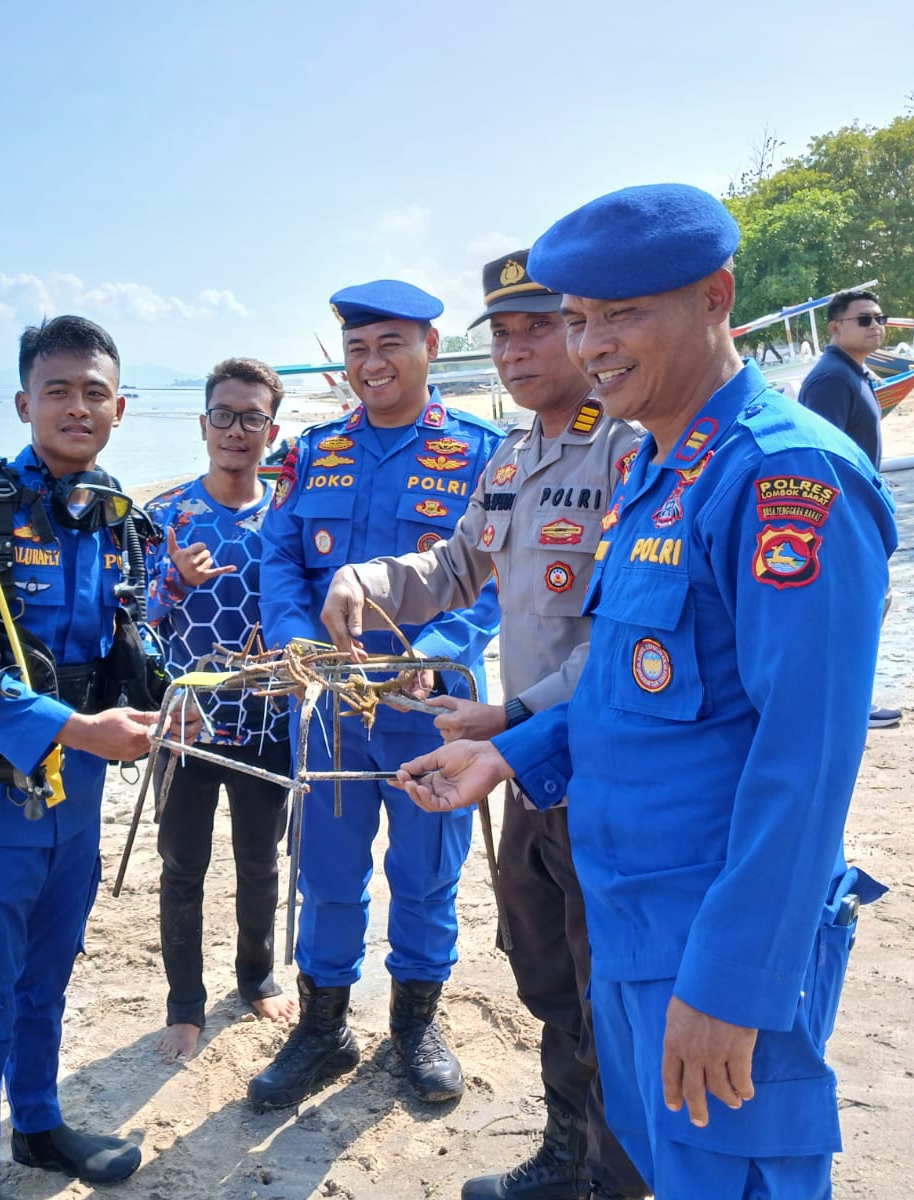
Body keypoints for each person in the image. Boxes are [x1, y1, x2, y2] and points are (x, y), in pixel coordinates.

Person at [394, 184, 897, 1199]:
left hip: (711, 943)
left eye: (621, 314)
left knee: (730, 1176)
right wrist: (508, 752)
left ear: (714, 298)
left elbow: (805, 760)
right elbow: (636, 686)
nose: (593, 346)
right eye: (579, 321)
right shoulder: (661, 472)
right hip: (626, 926)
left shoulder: (779, 476)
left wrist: (732, 982)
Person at [321, 251, 646, 1200]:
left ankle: (614, 1178)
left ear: (585, 331)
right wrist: (368, 579)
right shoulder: (512, 456)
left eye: (540, 325)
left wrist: (510, 714)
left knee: (608, 984)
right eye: (501, 333)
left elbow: (633, 633)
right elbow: (453, 565)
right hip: (524, 773)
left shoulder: (632, 450)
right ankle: (566, 1154)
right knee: (544, 965)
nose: (516, 349)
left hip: (602, 768)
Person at [0, 315, 168, 1200]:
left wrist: (169, 707)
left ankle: (40, 1124)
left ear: (120, 407)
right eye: (57, 390)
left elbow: (124, 649)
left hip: (78, 803)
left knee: (45, 984)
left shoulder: (114, 517)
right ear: (24, 402)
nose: (76, 407)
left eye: (94, 391)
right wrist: (78, 730)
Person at [250, 280, 504, 1108]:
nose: (372, 363)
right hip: (324, 705)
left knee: (427, 869)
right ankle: (323, 1029)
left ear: (431, 345)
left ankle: (414, 1027)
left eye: (390, 343)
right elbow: (281, 557)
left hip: (431, 706)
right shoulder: (314, 453)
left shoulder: (482, 452)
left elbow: (503, 574)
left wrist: (435, 652)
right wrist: (293, 634)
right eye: (357, 348)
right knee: (325, 870)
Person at [144, 356, 298, 1065]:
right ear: (203, 423)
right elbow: (135, 627)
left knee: (260, 862)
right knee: (182, 867)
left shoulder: (290, 516)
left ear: (273, 427)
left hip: (267, 718)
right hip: (187, 726)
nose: (238, 430)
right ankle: (184, 1005)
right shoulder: (164, 516)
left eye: (253, 417)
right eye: (225, 415)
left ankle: (257, 975)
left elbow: (312, 604)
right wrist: (171, 582)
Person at [797, 288, 902, 730]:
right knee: (851, 614)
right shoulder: (832, 380)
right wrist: (840, 523)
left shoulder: (855, 373)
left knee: (870, 607)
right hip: (840, 522)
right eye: (864, 319)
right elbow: (814, 458)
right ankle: (845, 708)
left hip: (861, 517)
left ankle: (851, 702)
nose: (875, 326)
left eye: (880, 318)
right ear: (835, 327)